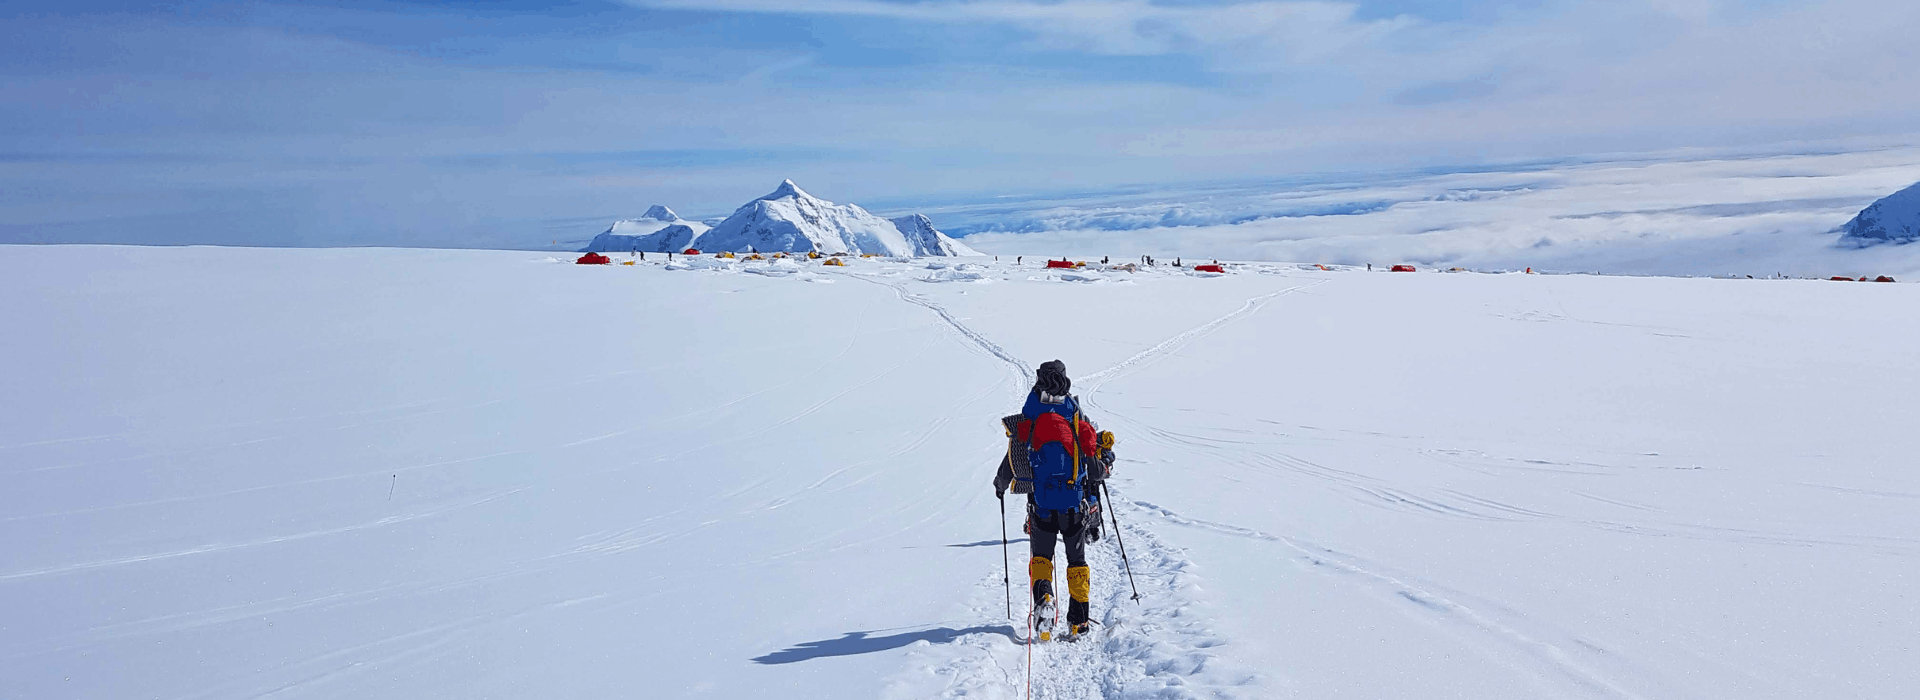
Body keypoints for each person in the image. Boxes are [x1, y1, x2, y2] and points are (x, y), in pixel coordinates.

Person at [994, 360, 1107, 640]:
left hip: (1041, 505)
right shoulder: (1075, 415)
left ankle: (1044, 599)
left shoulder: (1029, 415)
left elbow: (1014, 458)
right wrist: (1100, 471)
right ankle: (1078, 621)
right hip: (1073, 505)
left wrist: (1000, 483)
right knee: (1076, 560)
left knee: (1042, 557)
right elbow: (1092, 464)